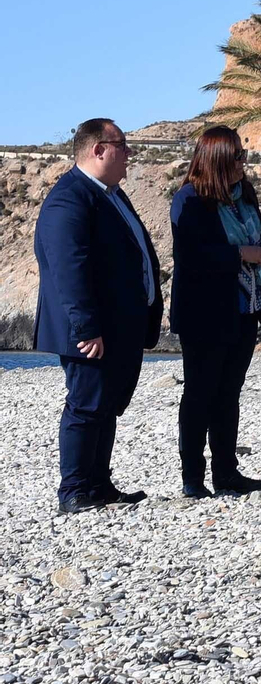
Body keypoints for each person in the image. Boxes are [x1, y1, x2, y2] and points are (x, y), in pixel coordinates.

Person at [33, 118, 163, 514]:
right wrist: (87, 328)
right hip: (90, 330)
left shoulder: (111, 195)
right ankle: (74, 490)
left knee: (107, 405)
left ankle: (99, 485)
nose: (129, 154)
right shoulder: (69, 198)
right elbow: (68, 268)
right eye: (122, 145)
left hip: (119, 325)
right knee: (86, 405)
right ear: (99, 149)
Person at [169, 126, 261, 498]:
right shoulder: (189, 200)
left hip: (245, 307)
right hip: (205, 314)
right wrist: (241, 255)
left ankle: (226, 472)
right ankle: (192, 476)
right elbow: (192, 258)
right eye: (237, 157)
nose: (243, 162)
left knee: (230, 392)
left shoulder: (243, 195)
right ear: (217, 160)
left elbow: (255, 235)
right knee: (200, 393)